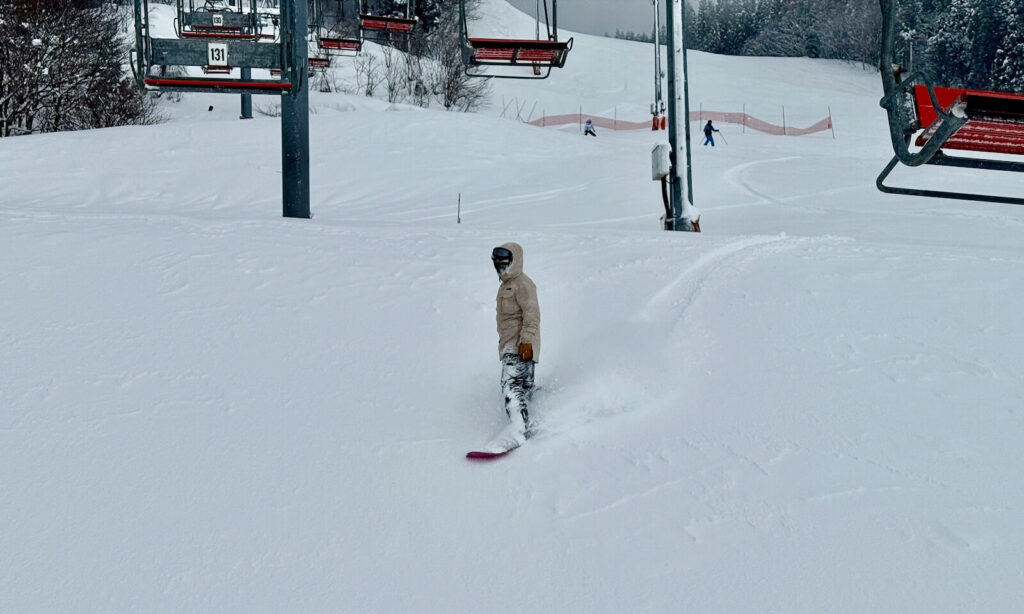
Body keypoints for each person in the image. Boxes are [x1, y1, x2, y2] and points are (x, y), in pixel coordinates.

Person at [491, 243, 540, 437]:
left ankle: (519, 430)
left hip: (519, 345)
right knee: (524, 390)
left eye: (504, 262)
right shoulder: (506, 286)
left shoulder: (522, 284)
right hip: (512, 345)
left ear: (515, 260)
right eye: (497, 262)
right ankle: (530, 425)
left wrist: (526, 341)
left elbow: (532, 314)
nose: (500, 266)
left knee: (510, 386)